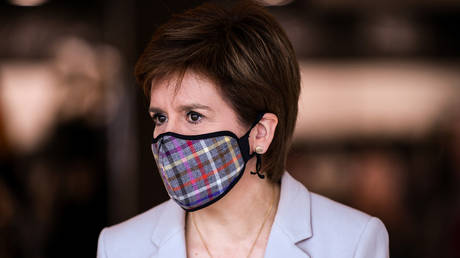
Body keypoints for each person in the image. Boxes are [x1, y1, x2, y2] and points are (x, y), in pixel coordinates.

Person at [97, 1, 389, 257]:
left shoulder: (351, 242)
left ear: (260, 133)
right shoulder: (121, 246)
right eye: (160, 118)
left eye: (194, 116)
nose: (167, 138)